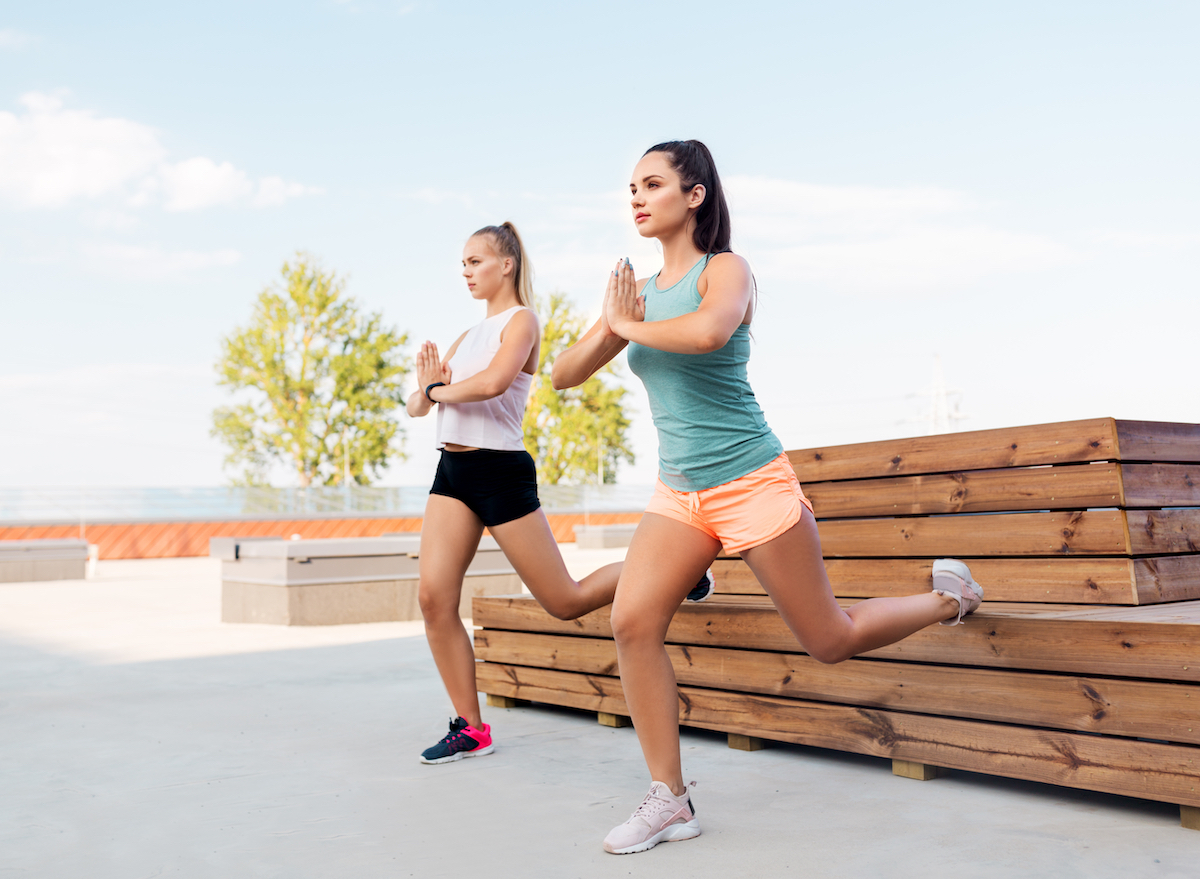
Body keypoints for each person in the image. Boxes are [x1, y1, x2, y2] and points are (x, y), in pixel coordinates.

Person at [551, 141, 985, 855]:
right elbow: (565, 373)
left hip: (750, 480)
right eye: (631, 187)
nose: (636, 197)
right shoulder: (637, 295)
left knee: (829, 640)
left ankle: (950, 598)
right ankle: (670, 799)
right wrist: (611, 322)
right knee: (631, 621)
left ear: (693, 194)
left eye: (652, 184)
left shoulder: (727, 269)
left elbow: (709, 331)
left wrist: (625, 327)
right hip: (679, 492)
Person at [405, 221, 713, 767]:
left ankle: (678, 571)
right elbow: (417, 405)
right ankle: (470, 727)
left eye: (475, 261)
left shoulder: (521, 321)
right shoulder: (463, 337)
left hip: (499, 471)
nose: (466, 272)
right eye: (463, 264)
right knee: (433, 599)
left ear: (506, 265)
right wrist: (429, 389)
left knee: (564, 601)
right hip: (451, 472)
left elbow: (492, 384)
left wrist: (435, 389)